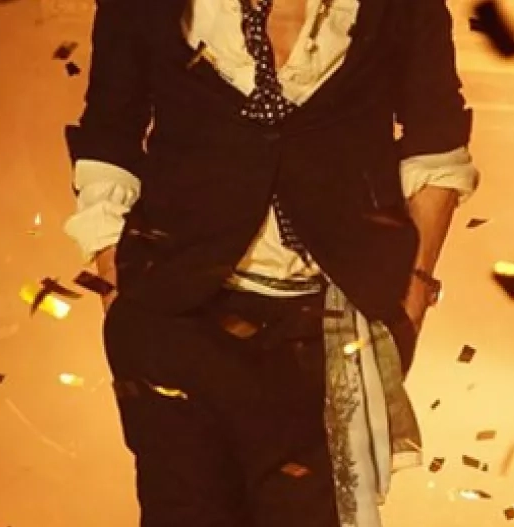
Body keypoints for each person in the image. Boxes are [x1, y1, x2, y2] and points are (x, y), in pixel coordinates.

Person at [62, 0, 479, 525]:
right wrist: (118, 291)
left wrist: (411, 297)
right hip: (176, 319)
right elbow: (108, 139)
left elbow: (437, 144)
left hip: (328, 330)